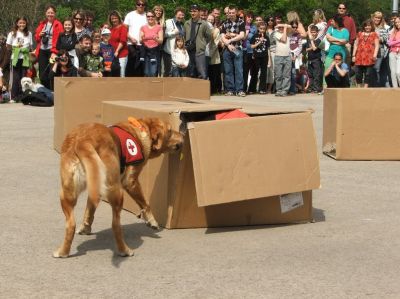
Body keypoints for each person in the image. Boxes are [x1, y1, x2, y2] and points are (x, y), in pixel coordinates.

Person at [34, 5, 63, 89]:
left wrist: (55, 52)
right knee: (42, 73)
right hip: (42, 50)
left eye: (52, 13)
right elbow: (36, 38)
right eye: (48, 12)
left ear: (55, 14)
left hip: (52, 51)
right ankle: (45, 91)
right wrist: (40, 35)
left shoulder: (58, 24)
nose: (50, 14)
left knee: (52, 72)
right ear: (45, 13)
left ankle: (53, 91)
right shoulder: (42, 24)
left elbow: (60, 39)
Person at [220, 5, 246, 96]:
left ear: (236, 12)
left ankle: (239, 90)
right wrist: (228, 44)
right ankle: (230, 90)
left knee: (239, 70)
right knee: (228, 70)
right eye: (229, 13)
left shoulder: (241, 22)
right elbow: (222, 36)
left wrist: (230, 40)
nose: (231, 14)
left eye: (232, 12)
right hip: (227, 49)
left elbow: (242, 35)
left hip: (237, 48)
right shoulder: (224, 23)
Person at [6, 17, 33, 100]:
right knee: (15, 77)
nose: (22, 24)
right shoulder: (12, 33)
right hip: (15, 58)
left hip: (24, 58)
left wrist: (26, 51)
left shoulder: (29, 33)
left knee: (24, 77)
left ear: (26, 24)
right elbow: (8, 46)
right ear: (17, 23)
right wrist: (16, 49)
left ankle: (23, 96)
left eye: (23, 23)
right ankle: (14, 97)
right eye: (20, 23)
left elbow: (31, 46)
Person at [184, 4, 211, 80]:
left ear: (199, 12)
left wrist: (202, 44)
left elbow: (209, 36)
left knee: (202, 73)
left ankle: (202, 91)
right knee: (190, 72)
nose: (193, 13)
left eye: (195, 11)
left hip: (199, 51)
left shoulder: (204, 24)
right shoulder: (186, 23)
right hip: (189, 51)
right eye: (191, 11)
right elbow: (184, 36)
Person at [352, 19, 379, 88]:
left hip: (370, 57)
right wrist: (353, 55)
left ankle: (365, 88)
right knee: (358, 73)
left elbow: (377, 45)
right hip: (359, 56)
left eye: (369, 26)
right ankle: (358, 88)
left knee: (368, 74)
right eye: (366, 26)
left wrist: (375, 55)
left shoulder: (374, 34)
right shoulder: (359, 33)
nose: (367, 27)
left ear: (371, 26)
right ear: (364, 26)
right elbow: (356, 44)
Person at [124, 0, 147, 77]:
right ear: (136, 5)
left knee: (141, 66)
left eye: (142, 4)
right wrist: (130, 38)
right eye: (139, 4)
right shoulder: (130, 15)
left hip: (143, 45)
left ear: (145, 6)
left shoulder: (147, 16)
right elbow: (124, 30)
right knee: (131, 65)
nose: (141, 6)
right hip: (131, 44)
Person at [140, 10, 163, 77]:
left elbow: (161, 41)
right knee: (146, 72)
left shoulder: (159, 27)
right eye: (148, 16)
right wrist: (145, 38)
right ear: (146, 17)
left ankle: (153, 87)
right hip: (145, 52)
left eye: (152, 16)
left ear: (155, 17)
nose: (150, 18)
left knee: (153, 72)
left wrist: (155, 39)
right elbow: (140, 40)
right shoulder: (143, 27)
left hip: (155, 52)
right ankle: (146, 87)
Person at [248, 21, 270, 94]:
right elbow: (251, 46)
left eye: (264, 29)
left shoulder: (266, 37)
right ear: (258, 28)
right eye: (261, 29)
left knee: (263, 73)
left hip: (264, 56)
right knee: (254, 72)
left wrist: (269, 60)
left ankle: (262, 89)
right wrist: (259, 42)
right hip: (256, 56)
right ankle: (252, 89)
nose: (262, 30)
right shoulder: (255, 36)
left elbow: (268, 49)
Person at [163, 7, 185, 77]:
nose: (180, 16)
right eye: (179, 14)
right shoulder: (168, 22)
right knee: (168, 71)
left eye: (182, 15)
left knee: (176, 72)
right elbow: (163, 35)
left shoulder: (182, 25)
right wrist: (173, 33)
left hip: (177, 52)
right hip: (168, 51)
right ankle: (164, 87)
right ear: (175, 15)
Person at [372, 11, 390, 87]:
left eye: (379, 18)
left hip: (380, 51)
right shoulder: (369, 26)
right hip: (369, 50)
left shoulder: (382, 29)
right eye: (376, 17)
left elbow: (386, 38)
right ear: (373, 17)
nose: (377, 19)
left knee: (376, 69)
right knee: (370, 70)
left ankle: (377, 86)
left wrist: (377, 39)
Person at [274, 23, 292, 97]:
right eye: (280, 27)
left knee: (286, 75)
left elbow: (290, 27)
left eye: (283, 27)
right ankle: (279, 90)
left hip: (287, 56)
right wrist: (283, 27)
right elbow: (284, 40)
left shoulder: (288, 33)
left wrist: (285, 26)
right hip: (278, 56)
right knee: (278, 75)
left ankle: (284, 90)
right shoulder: (276, 33)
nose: (281, 28)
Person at [109, 10, 128, 77]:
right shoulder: (110, 29)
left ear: (119, 18)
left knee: (121, 74)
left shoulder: (123, 27)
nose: (114, 20)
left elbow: (123, 41)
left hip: (121, 54)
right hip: (111, 55)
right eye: (112, 19)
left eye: (115, 18)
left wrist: (117, 51)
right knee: (112, 73)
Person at [206, 14, 222, 94]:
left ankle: (214, 90)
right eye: (209, 19)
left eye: (212, 20)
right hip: (205, 54)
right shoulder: (204, 29)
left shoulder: (216, 30)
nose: (210, 21)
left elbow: (216, 43)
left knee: (213, 74)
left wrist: (209, 54)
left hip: (213, 55)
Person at [306, 25, 323, 93]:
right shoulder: (308, 40)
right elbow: (306, 49)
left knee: (316, 74)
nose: (313, 33)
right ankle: (311, 88)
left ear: (317, 32)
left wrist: (311, 40)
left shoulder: (319, 40)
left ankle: (316, 88)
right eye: (312, 32)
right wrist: (311, 47)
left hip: (316, 59)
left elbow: (315, 48)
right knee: (310, 75)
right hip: (310, 59)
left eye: (314, 32)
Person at [242, 11, 257, 93]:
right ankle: (243, 89)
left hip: (251, 51)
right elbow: (242, 38)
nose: (250, 18)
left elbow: (255, 40)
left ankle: (251, 89)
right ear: (245, 17)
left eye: (251, 17)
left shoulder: (254, 28)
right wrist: (246, 32)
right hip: (243, 51)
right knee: (244, 71)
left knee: (253, 71)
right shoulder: (241, 25)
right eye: (248, 16)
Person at [289, 21, 303, 94]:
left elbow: (300, 47)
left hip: (295, 56)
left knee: (294, 73)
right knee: (287, 73)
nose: (294, 28)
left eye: (296, 27)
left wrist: (295, 55)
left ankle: (293, 89)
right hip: (288, 55)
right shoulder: (288, 34)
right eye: (293, 27)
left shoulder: (298, 35)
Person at [388, 17, 400, 87]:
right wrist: (398, 41)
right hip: (392, 53)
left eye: (399, 22)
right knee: (393, 73)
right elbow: (389, 43)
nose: (397, 24)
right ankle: (395, 89)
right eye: (396, 22)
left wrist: (394, 42)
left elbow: (392, 42)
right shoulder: (393, 31)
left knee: (398, 72)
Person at [266, 16, 276, 93]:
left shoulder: (276, 30)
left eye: (271, 20)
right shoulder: (263, 29)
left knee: (272, 70)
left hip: (273, 50)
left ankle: (270, 88)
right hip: (264, 50)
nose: (270, 21)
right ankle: (264, 86)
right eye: (268, 20)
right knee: (265, 69)